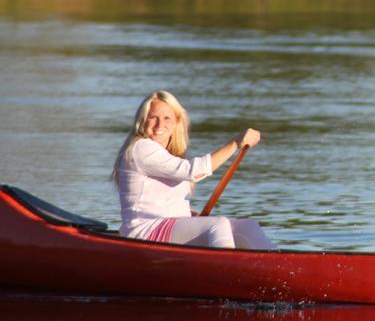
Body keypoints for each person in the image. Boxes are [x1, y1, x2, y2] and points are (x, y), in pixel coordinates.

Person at [113, 91, 275, 249]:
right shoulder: (141, 148)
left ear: (177, 122)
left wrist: (192, 216)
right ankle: (225, 271)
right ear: (142, 121)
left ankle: (281, 268)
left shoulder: (167, 154)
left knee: (247, 227)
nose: (160, 124)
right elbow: (192, 172)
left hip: (163, 227)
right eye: (153, 117)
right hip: (142, 232)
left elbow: (164, 202)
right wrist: (234, 143)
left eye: (167, 118)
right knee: (218, 225)